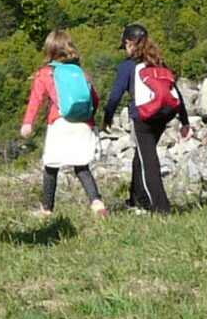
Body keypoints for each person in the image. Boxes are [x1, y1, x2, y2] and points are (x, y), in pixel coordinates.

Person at [103, 24, 192, 214]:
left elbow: (115, 96)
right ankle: (137, 199)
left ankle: (161, 209)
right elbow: (175, 92)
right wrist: (185, 122)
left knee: (149, 161)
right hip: (164, 114)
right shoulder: (159, 63)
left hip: (143, 116)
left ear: (129, 43)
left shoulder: (128, 66)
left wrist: (107, 118)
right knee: (142, 155)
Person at [21, 29, 108, 218]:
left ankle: (47, 209)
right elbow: (95, 98)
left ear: (49, 49)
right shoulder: (80, 72)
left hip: (60, 122)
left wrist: (28, 123)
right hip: (84, 123)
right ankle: (97, 203)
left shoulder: (46, 72)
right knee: (81, 166)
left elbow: (36, 99)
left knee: (51, 166)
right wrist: (90, 118)